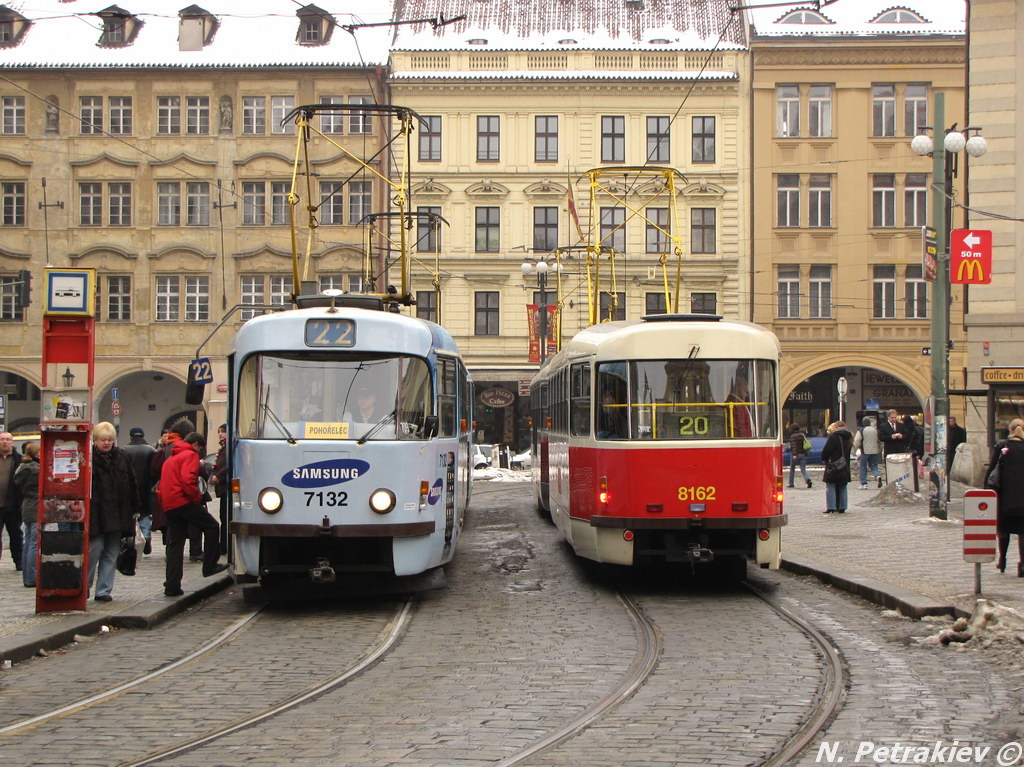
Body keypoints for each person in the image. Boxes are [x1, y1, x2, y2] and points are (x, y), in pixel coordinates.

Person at [158, 431, 227, 597]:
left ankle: (172, 585)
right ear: (196, 444)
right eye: (200, 448)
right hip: (183, 501)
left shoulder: (171, 459)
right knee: (212, 527)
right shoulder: (189, 455)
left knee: (175, 544)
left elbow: (161, 485)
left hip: (170, 504)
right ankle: (210, 566)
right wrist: (196, 498)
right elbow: (187, 480)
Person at [89, 421, 143, 602]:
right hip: (96, 512)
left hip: (119, 511)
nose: (106, 443)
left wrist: (136, 508)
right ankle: (85, 585)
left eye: (110, 440)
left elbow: (132, 482)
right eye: (103, 440)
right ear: (95, 440)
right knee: (94, 550)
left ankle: (103, 590)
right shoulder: (88, 458)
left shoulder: (122, 456)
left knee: (111, 552)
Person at [151, 418, 203, 561]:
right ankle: (196, 552)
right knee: (196, 523)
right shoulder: (184, 448)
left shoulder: (166, 447)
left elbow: (155, 468)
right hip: (184, 491)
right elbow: (189, 474)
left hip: (167, 491)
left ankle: (172, 554)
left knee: (172, 526)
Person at [986, 418, 1024, 577]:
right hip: (1023, 497)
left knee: (1003, 530)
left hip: (1004, 495)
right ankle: (1022, 565)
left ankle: (1002, 560)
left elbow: (992, 470)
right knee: (1023, 531)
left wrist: (986, 490)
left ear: (1010, 430)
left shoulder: (1003, 446)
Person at [123, 426, 156, 555]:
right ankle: (146, 536)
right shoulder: (151, 450)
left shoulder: (124, 450)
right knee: (146, 515)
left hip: (130, 489)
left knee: (131, 515)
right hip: (147, 488)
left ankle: (133, 540)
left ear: (131, 437)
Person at [13, 441, 39, 587]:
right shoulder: (35, 470)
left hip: (26, 506)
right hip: (35, 506)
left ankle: (27, 576)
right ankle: (32, 577)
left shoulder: (22, 468)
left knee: (28, 541)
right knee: (34, 543)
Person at [0, 431, 23, 571]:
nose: (4, 442)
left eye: (7, 439)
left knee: (15, 535)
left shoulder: (18, 459)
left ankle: (18, 561)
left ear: (12, 442)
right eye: (2, 439)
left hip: (12, 505)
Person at [821, 420, 852, 514]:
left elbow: (827, 450)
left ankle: (831, 507)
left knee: (831, 485)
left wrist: (824, 458)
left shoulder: (834, 437)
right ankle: (842, 506)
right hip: (845, 465)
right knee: (843, 485)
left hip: (834, 465)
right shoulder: (849, 437)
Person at [209, 423, 229, 556]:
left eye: (222, 432)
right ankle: (223, 547)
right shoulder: (224, 448)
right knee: (223, 517)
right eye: (219, 432)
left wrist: (218, 476)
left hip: (226, 488)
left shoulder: (229, 448)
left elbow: (228, 465)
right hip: (223, 489)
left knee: (225, 517)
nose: (220, 434)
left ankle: (224, 547)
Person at [853, 416, 882, 490]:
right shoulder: (875, 430)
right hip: (874, 451)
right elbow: (879, 441)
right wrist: (880, 450)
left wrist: (854, 451)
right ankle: (877, 475)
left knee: (863, 467)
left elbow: (857, 441)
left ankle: (864, 484)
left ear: (863, 423)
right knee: (874, 466)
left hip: (865, 451)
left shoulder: (861, 431)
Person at [787, 424, 812, 489]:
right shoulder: (802, 435)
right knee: (803, 469)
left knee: (792, 469)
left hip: (796, 455)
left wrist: (794, 454)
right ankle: (808, 480)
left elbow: (794, 446)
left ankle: (791, 483)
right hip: (803, 454)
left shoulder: (793, 436)